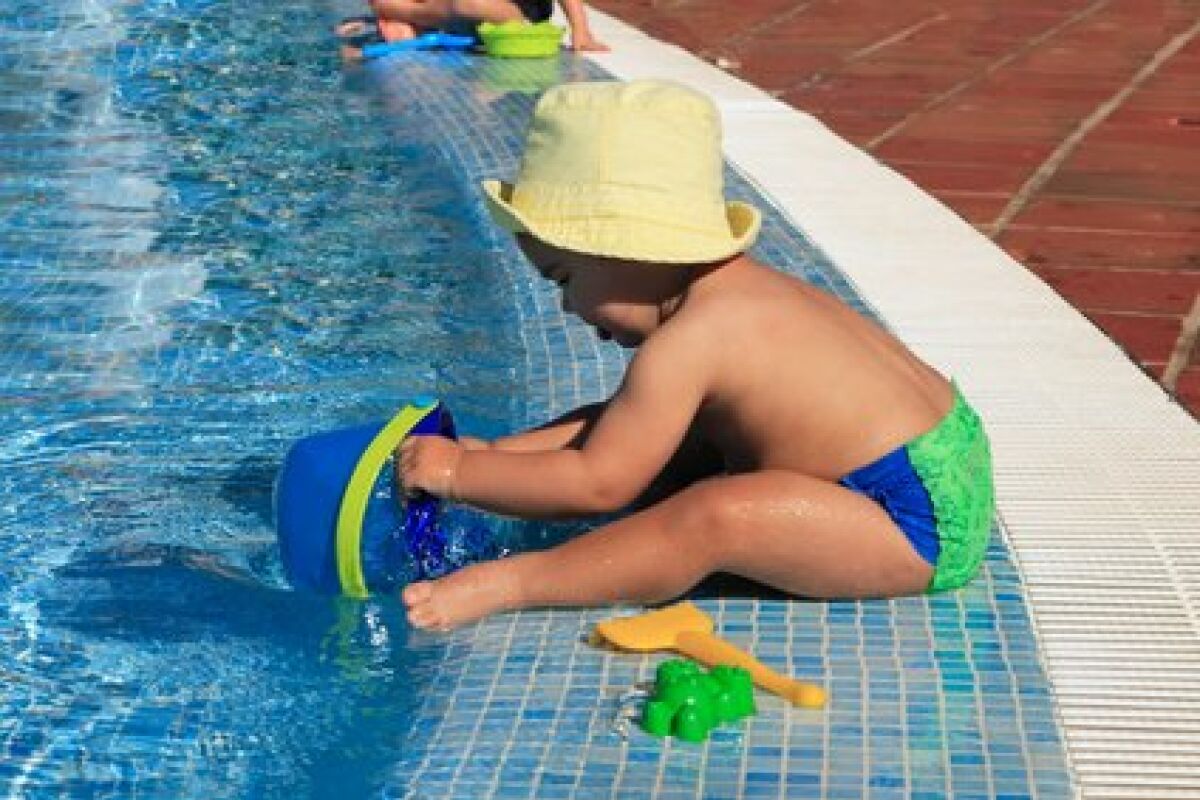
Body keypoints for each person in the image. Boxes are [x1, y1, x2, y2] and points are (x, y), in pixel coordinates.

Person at [396, 79, 995, 631]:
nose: (567, 307)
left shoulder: (693, 338)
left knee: (717, 516)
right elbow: (621, 427)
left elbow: (598, 482)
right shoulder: (742, 292)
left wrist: (455, 473)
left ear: (621, 251)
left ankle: (514, 584)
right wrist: (496, 457)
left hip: (910, 524)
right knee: (665, 434)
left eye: (563, 278)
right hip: (942, 453)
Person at [336, 0, 607, 57]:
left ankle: (405, 14)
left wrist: (580, 30)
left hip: (515, 10)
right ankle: (407, 17)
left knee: (471, 4)